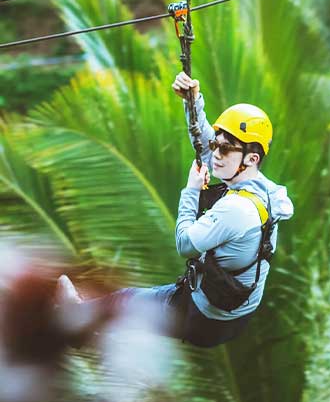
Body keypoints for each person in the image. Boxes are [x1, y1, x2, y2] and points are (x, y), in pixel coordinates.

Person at [54, 72, 294, 348]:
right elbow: (205, 147)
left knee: (126, 300)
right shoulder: (263, 188)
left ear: (251, 158)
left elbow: (185, 244)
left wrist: (191, 190)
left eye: (225, 150)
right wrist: (193, 102)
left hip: (205, 318)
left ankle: (76, 320)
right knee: (133, 307)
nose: (216, 154)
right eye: (217, 144)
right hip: (234, 315)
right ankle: (94, 325)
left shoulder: (237, 210)